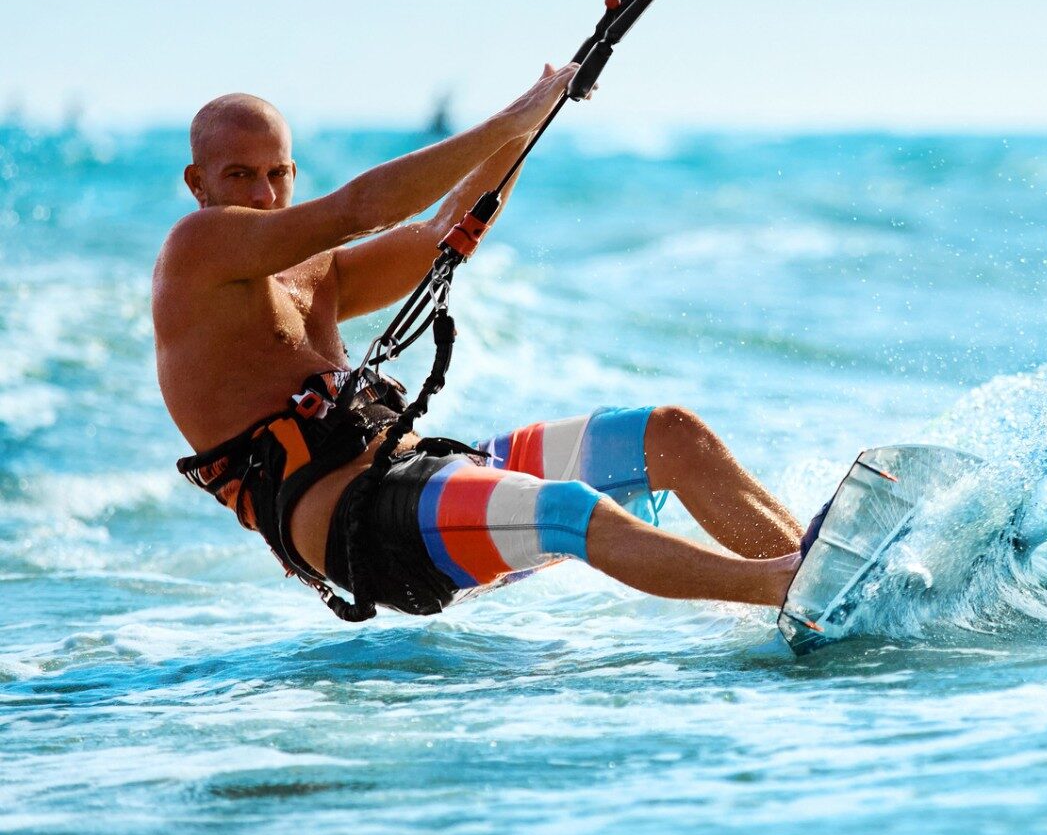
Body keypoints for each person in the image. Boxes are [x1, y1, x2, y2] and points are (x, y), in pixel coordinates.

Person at [153, 63, 803, 619]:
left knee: (671, 435)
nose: (264, 195)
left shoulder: (315, 272)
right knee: (568, 510)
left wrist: (535, 116)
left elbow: (446, 227)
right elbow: (360, 209)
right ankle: (783, 588)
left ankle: (813, 573)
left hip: (423, 475)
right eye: (239, 175)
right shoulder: (193, 251)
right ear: (197, 183)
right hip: (362, 527)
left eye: (278, 172)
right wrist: (511, 118)